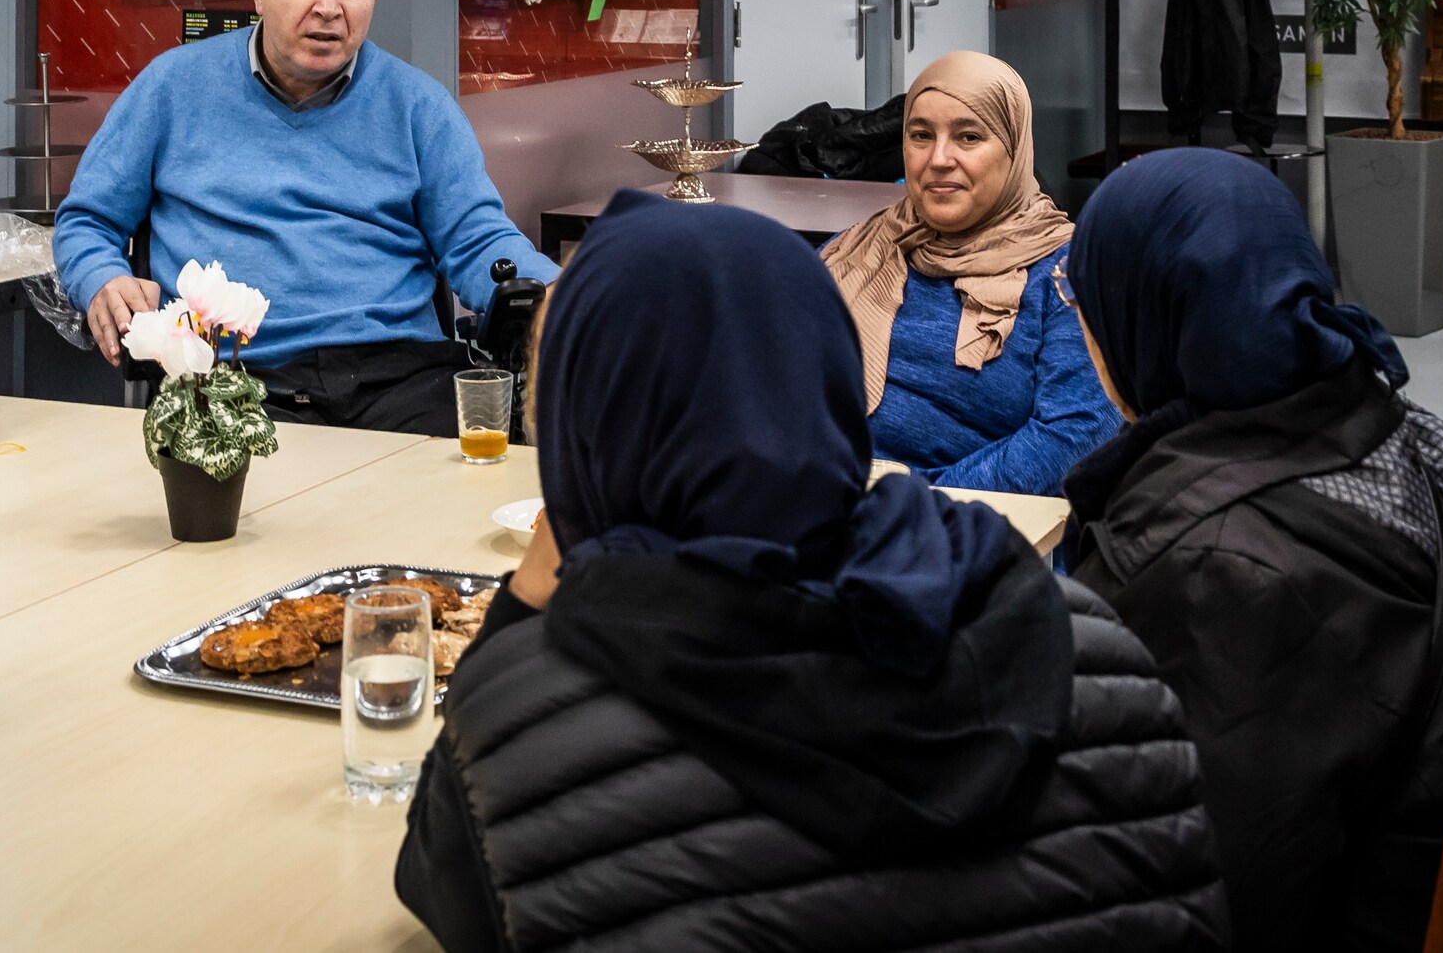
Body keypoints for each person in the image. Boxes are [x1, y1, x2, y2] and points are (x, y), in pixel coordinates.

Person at [393, 192, 1229, 952]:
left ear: (585, 423)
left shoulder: (525, 724)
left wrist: (524, 605)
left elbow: (439, 891)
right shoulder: (1098, 647)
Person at [1058, 149, 1443, 952]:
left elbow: (1205, 898)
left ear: (1145, 309)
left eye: (1079, 295)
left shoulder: (1206, 568)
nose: (1081, 324)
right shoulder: (1391, 427)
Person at [56, 0, 554, 434]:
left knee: (459, 490)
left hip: (399, 376)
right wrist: (101, 277)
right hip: (229, 376)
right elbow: (88, 220)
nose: (329, 6)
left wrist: (567, 298)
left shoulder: (419, 107)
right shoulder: (171, 88)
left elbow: (479, 241)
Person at [820, 52, 1113, 497]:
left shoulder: (1069, 275)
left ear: (1014, 150)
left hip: (968, 530)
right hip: (817, 503)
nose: (938, 159)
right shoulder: (857, 248)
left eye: (968, 137)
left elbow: (1075, 436)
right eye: (920, 136)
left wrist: (917, 507)